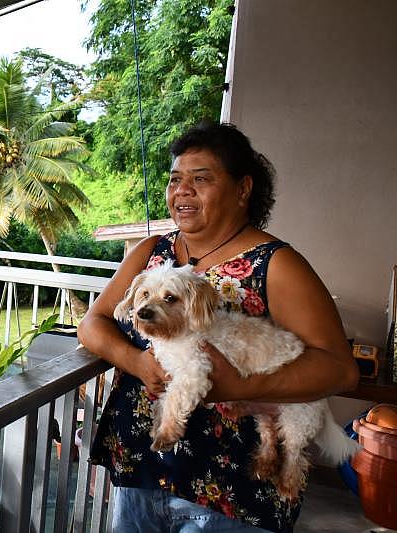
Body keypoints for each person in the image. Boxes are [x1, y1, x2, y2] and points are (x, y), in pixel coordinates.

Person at [79, 122, 358, 532]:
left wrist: (242, 387)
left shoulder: (277, 264)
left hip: (231, 494)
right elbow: (93, 324)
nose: (182, 190)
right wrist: (137, 362)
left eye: (201, 179)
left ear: (243, 189)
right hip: (141, 468)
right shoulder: (151, 252)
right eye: (175, 180)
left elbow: (339, 368)